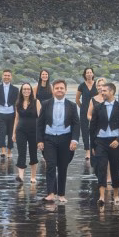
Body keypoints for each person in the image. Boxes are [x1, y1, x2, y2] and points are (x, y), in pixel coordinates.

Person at [40, 78, 78, 207]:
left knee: (62, 167)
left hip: (65, 139)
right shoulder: (45, 104)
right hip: (49, 138)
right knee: (50, 164)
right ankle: (50, 193)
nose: (59, 90)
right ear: (53, 90)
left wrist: (74, 140)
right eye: (57, 88)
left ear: (66, 90)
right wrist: (39, 140)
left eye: (62, 88)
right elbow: (39, 123)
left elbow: (76, 124)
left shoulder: (72, 106)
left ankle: (61, 194)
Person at [91, 80, 119, 203]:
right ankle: (101, 196)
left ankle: (116, 196)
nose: (102, 92)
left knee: (116, 168)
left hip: (115, 142)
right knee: (101, 167)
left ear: (112, 92)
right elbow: (92, 128)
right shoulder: (98, 107)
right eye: (101, 90)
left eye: (105, 90)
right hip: (100, 141)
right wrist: (92, 145)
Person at [12, 80, 42, 189]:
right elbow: (16, 119)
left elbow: (40, 118)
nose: (26, 91)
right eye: (24, 89)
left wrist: (41, 134)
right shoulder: (18, 103)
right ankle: (21, 177)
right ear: (21, 91)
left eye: (28, 89)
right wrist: (13, 133)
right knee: (21, 153)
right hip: (21, 131)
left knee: (33, 153)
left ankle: (33, 177)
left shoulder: (36, 102)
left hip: (34, 131)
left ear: (31, 91)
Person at [0, 68, 20, 159]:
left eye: (8, 75)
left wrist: (18, 116)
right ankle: (3, 151)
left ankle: (9, 150)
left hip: (12, 114)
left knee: (12, 133)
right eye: (5, 75)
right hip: (1, 114)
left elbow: (17, 103)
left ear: (11, 77)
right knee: (2, 133)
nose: (6, 77)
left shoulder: (15, 89)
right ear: (2, 76)